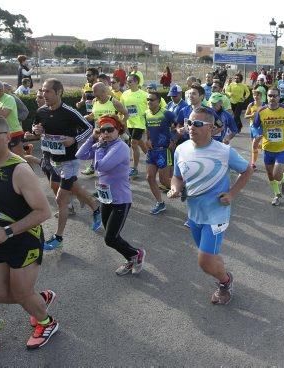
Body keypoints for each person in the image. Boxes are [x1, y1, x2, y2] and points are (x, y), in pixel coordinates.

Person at [0, 114, 58, 349]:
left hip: (23, 240)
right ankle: (39, 300)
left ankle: (46, 321)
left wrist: (8, 231)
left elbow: (43, 212)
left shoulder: (19, 170)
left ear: (7, 137)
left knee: (21, 293)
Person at [167, 107, 252, 305]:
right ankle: (220, 270)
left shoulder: (224, 151)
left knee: (204, 261)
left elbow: (247, 170)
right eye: (189, 122)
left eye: (197, 124)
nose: (190, 127)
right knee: (209, 257)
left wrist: (232, 193)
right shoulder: (182, 149)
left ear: (211, 128)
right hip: (194, 213)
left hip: (216, 214)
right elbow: (177, 177)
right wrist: (174, 188)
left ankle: (225, 282)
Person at [32, 78, 102, 250]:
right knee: (75, 189)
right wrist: (36, 131)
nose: (43, 94)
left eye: (48, 91)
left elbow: (88, 128)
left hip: (69, 162)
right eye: (42, 91)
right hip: (52, 160)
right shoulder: (41, 111)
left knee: (60, 200)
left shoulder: (69, 112)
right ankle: (95, 206)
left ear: (58, 92)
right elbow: (36, 126)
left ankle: (58, 238)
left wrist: (73, 139)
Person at [76, 115, 146, 275]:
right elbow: (80, 155)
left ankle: (136, 254)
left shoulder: (119, 147)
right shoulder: (103, 144)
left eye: (110, 129)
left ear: (118, 130)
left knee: (110, 238)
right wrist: (92, 139)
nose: (106, 133)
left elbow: (103, 167)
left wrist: (98, 147)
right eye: (102, 130)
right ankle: (131, 258)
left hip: (121, 200)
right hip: (106, 197)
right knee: (112, 236)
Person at [252, 87, 284, 205]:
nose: (272, 98)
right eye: (270, 95)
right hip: (267, 148)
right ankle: (277, 195)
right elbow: (255, 126)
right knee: (270, 175)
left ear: (279, 97)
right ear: (267, 97)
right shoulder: (261, 111)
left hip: (282, 148)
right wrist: (257, 134)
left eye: (275, 96)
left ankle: (282, 179)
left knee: (277, 175)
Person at [144, 91, 176, 214]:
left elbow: (178, 126)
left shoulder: (166, 114)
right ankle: (160, 203)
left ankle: (184, 188)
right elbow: (148, 129)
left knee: (164, 181)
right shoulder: (146, 114)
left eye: (151, 100)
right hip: (152, 151)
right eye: (148, 99)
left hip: (164, 151)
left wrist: (173, 139)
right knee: (149, 177)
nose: (149, 102)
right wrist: (147, 140)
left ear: (158, 101)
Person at [0, 80, 25, 157]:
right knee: (7, 159)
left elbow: (3, 115)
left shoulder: (9, 98)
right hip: (3, 134)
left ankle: (36, 161)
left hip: (14, 133)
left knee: (19, 159)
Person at [120, 74, 148, 178]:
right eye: (127, 81)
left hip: (140, 122)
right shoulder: (125, 94)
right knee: (139, 142)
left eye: (130, 81)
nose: (128, 83)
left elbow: (153, 105)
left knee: (133, 143)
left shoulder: (144, 94)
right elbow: (122, 108)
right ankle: (150, 157)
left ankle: (135, 168)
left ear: (137, 82)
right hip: (130, 123)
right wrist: (122, 119)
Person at [245, 88, 265, 169]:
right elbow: (245, 116)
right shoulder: (251, 105)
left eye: (257, 95)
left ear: (261, 96)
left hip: (261, 126)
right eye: (254, 95)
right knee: (254, 145)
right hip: (252, 126)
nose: (256, 96)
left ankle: (253, 164)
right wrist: (251, 115)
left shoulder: (264, 105)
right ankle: (265, 147)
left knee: (254, 144)